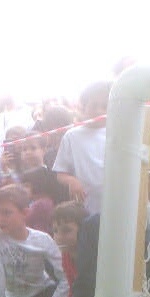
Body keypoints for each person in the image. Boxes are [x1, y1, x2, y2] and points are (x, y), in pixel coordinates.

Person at [52, 81, 111, 215]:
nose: (99, 111)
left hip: (114, 206)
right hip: (86, 207)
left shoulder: (118, 134)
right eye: (93, 105)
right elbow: (60, 174)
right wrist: (71, 181)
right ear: (83, 106)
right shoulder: (71, 136)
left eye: (105, 106)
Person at [51, 201, 88, 297]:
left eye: (66, 230)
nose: (58, 237)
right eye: (55, 231)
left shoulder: (91, 258)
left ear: (84, 230)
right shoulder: (66, 256)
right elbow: (73, 289)